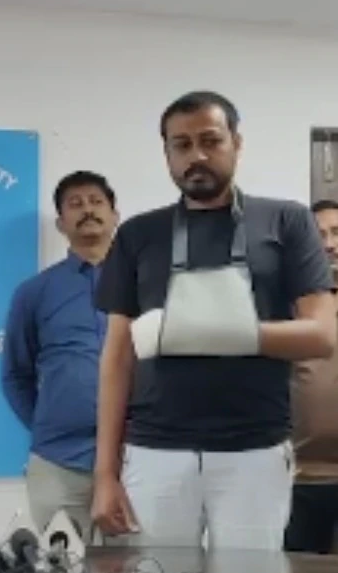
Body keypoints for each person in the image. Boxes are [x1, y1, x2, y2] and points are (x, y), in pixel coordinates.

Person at [91, 90, 336, 550]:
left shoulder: (287, 221)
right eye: (181, 145)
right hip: (155, 450)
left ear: (236, 143)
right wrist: (105, 474)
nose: (197, 156)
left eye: (210, 140)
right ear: (167, 153)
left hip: (255, 451)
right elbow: (117, 358)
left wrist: (204, 332)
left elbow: (322, 335)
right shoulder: (138, 234)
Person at [1, 170, 119, 537]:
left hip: (137, 458)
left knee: (138, 559)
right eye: (75, 204)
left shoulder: (146, 284)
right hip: (59, 460)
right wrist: (49, 422)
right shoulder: (34, 292)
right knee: (61, 558)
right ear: (60, 223)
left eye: (96, 202)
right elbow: (16, 375)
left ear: (115, 215)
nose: (88, 210)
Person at [285, 199, 338, 554]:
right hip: (296, 480)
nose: (329, 244)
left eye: (337, 233)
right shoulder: (284, 307)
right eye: (319, 235)